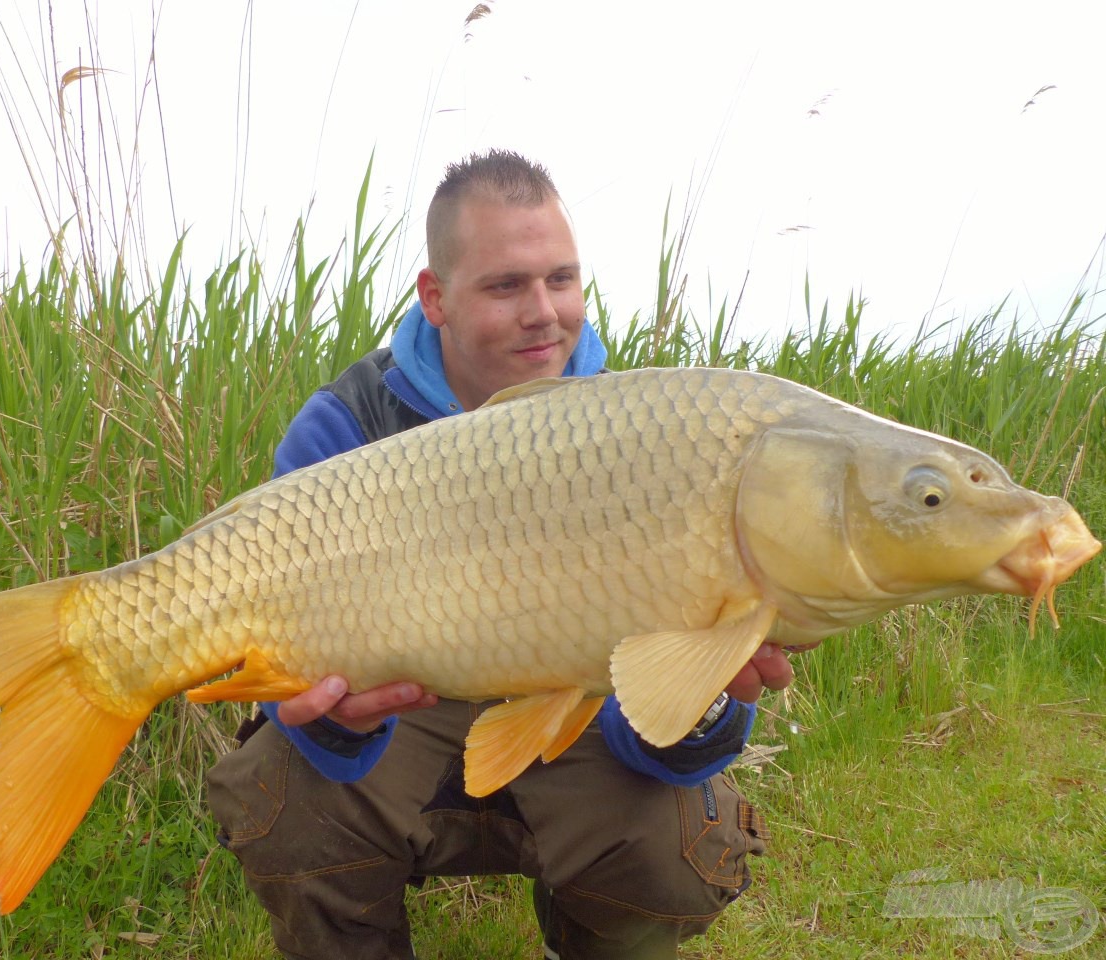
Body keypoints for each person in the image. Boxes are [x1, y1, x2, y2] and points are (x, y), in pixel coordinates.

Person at [206, 149, 802, 960]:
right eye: (505, 285)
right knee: (283, 795)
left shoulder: (643, 434)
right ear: (435, 297)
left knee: (677, 850)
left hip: (573, 717)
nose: (545, 311)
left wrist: (699, 695)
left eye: (562, 279)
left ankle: (586, 938)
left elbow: (649, 724)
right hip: (407, 717)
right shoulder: (345, 427)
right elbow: (285, 665)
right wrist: (334, 722)